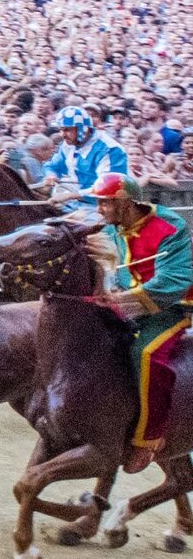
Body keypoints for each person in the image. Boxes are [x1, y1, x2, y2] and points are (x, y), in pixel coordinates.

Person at [94, 173, 193, 468]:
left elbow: (174, 280)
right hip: (126, 305)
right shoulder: (111, 226)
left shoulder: (170, 227)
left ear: (125, 204)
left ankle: (149, 439)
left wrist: (123, 299)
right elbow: (110, 267)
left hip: (170, 309)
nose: (99, 209)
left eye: (105, 203)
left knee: (146, 353)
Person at [43, 106, 129, 200]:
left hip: (102, 204)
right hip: (76, 202)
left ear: (83, 129)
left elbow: (108, 187)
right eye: (60, 129)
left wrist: (71, 196)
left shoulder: (111, 150)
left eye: (67, 129)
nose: (62, 135)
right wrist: (51, 175)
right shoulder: (68, 144)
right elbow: (52, 166)